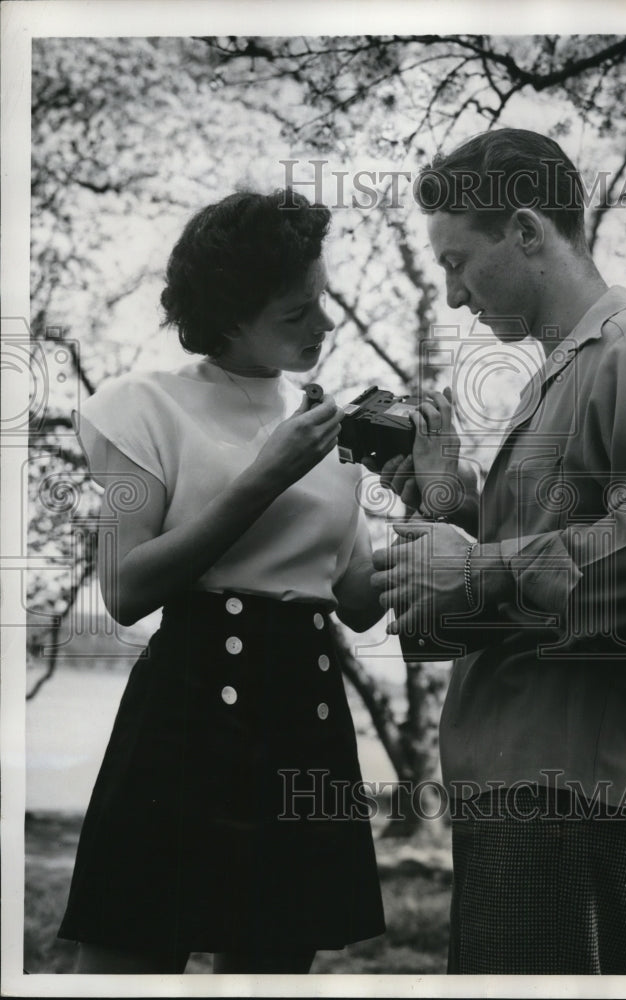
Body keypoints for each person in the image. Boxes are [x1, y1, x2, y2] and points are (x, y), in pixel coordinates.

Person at [372, 129, 626, 974]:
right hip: (523, 782)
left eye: (459, 261)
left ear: (530, 232)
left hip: (566, 790)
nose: (454, 292)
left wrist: (477, 564)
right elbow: (519, 588)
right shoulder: (561, 374)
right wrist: (449, 503)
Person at [58, 189, 385, 974]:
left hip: (304, 718)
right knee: (126, 960)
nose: (324, 325)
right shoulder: (139, 410)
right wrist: (262, 478)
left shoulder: (325, 425)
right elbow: (127, 590)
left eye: (323, 302)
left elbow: (360, 602)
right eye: (296, 313)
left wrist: (434, 498)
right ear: (231, 317)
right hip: (190, 709)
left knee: (274, 966)